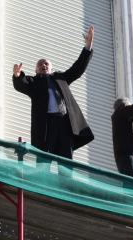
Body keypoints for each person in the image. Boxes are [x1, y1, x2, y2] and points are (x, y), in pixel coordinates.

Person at [12, 26, 95, 160]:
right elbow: (21, 84)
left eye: (46, 64)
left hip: (64, 123)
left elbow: (78, 68)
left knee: (66, 160)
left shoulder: (61, 78)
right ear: (36, 70)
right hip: (46, 125)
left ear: (52, 68)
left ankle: (66, 181)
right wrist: (17, 75)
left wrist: (88, 47)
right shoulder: (33, 82)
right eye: (40, 65)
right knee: (44, 159)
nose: (44, 66)